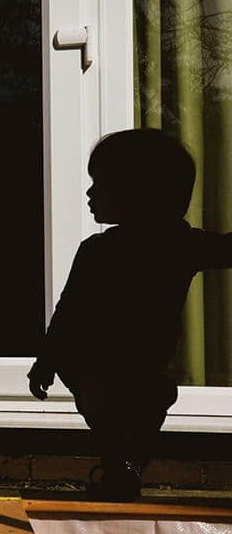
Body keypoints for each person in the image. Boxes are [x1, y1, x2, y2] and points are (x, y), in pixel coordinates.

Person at [28, 128, 232, 501]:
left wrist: (47, 360)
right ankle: (121, 467)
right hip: (100, 364)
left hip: (130, 368)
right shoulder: (169, 246)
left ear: (137, 193)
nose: (89, 194)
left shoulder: (148, 246)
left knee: (135, 411)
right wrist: (47, 359)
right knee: (124, 411)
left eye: (100, 184)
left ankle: (121, 468)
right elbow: (69, 310)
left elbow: (67, 311)